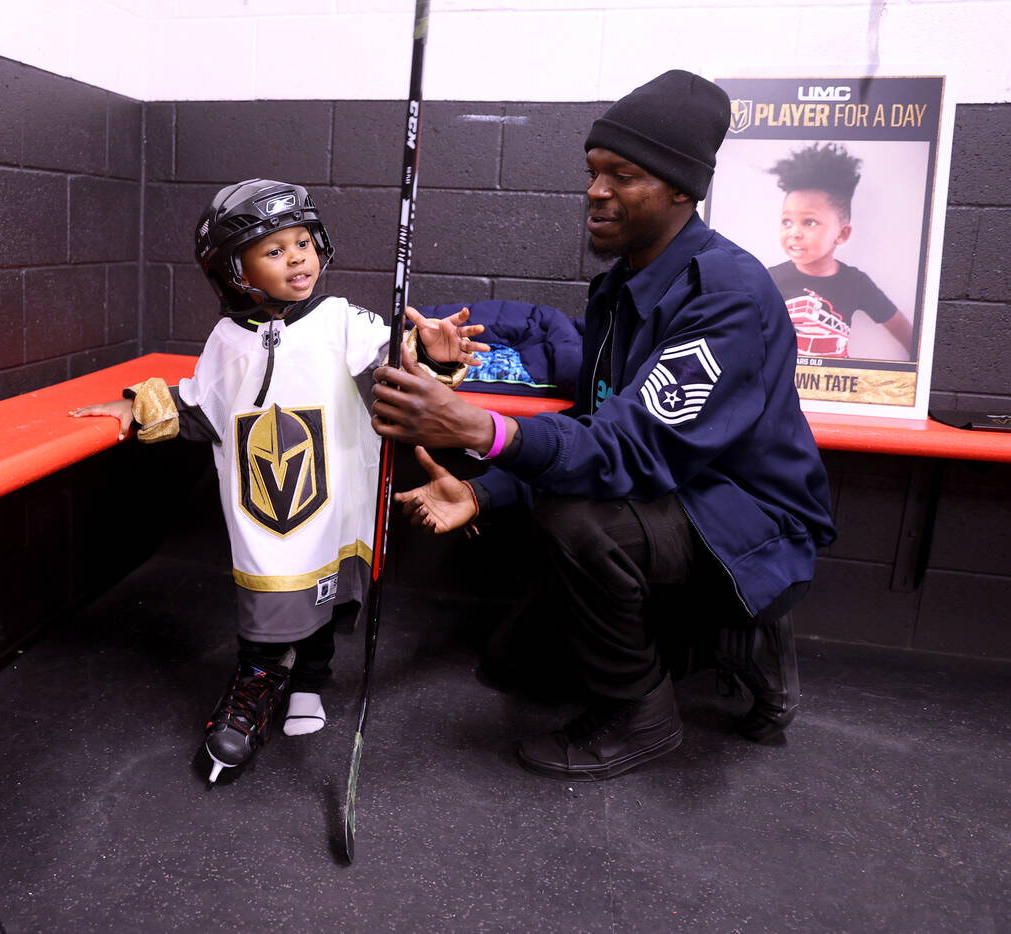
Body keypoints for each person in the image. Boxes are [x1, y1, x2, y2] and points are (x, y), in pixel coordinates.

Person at [368, 71, 837, 782]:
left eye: (623, 174)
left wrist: (476, 430)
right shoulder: (624, 286)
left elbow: (623, 453)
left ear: (682, 188)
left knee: (574, 519)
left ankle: (648, 713)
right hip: (669, 493)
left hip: (747, 521)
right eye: (593, 172)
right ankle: (699, 641)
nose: (595, 191)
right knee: (511, 665)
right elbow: (592, 412)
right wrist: (484, 486)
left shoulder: (728, 296)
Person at [71, 178, 486, 783]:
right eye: (274, 250)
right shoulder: (226, 339)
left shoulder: (344, 321)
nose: (297, 258)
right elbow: (200, 406)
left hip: (335, 499)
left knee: (324, 598)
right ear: (235, 271)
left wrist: (433, 361)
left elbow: (393, 373)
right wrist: (137, 407)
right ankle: (255, 691)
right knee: (269, 602)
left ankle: (309, 682)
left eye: (303, 242)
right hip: (264, 504)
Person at [767, 142, 914, 359]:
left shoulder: (856, 283)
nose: (794, 232)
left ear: (842, 234)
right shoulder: (768, 279)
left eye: (809, 222)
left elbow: (905, 331)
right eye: (787, 221)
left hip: (837, 390)